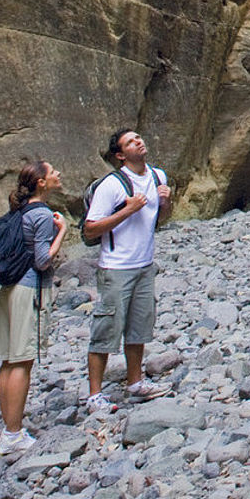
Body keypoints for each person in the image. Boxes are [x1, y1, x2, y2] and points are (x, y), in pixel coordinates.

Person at [82, 128, 173, 413]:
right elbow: (90, 228)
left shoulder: (158, 176)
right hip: (116, 267)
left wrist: (167, 200)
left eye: (139, 138)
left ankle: (135, 381)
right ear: (121, 155)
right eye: (130, 142)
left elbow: (162, 218)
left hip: (144, 264)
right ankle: (94, 395)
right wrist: (128, 210)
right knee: (105, 329)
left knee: (139, 327)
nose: (139, 141)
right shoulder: (111, 185)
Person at [0, 160, 66, 455]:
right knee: (22, 360)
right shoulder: (41, 215)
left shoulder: (20, 211)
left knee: (8, 361)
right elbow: (42, 260)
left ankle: (9, 427)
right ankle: (13, 434)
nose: (58, 175)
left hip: (9, 289)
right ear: (41, 182)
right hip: (29, 289)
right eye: (52, 173)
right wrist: (61, 231)